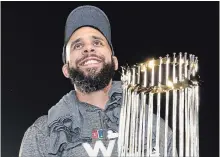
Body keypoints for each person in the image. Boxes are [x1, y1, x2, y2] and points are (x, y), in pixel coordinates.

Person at [19, 5, 174, 157]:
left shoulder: (152, 126)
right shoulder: (42, 134)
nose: (88, 49)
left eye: (97, 42)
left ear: (115, 62)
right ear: (66, 70)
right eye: (77, 45)